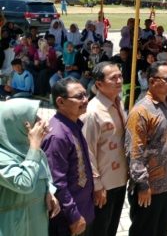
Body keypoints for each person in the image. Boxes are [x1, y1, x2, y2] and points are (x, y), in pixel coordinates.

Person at [126, 61, 167, 236]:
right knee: (144, 230)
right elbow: (134, 151)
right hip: (150, 186)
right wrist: (142, 185)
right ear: (152, 81)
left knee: (161, 229)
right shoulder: (141, 111)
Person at [0, 98, 60, 235]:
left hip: (36, 221)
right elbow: (23, 183)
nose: (40, 122)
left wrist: (49, 191)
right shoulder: (5, 154)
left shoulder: (28, 147)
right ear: (14, 125)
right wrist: (34, 147)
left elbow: (45, 174)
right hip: (11, 225)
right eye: (34, 119)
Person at [43, 78, 95, 236]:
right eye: (79, 97)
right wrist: (74, 216)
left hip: (83, 207)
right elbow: (57, 182)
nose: (85, 100)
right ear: (60, 102)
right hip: (68, 218)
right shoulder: (57, 135)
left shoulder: (74, 124)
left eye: (86, 95)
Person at [81, 62, 128, 236]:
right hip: (104, 185)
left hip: (120, 179)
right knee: (99, 229)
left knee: (111, 228)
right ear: (99, 84)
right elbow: (88, 152)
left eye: (120, 76)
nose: (119, 80)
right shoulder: (93, 112)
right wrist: (97, 185)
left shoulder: (118, 102)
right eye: (113, 77)